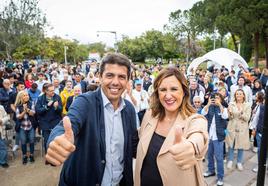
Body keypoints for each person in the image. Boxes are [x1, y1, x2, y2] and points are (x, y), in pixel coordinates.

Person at [45, 53, 138, 186]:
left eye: (122, 77)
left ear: (128, 81)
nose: (116, 82)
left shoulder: (128, 109)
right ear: (100, 77)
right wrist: (58, 142)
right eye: (110, 75)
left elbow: (133, 145)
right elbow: (66, 126)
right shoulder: (85, 102)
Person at [135, 67, 208, 186]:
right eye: (163, 89)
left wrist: (191, 146)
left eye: (174, 89)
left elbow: (199, 136)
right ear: (157, 93)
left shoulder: (195, 120)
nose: (168, 96)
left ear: (184, 92)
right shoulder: (149, 116)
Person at [202, 93, 228, 186]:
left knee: (219, 157)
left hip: (218, 137)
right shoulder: (209, 107)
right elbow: (202, 113)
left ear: (221, 99)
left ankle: (220, 177)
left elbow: (225, 116)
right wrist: (208, 103)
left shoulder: (223, 108)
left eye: (217, 98)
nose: (215, 100)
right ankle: (211, 170)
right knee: (209, 155)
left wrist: (220, 104)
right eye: (214, 98)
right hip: (209, 136)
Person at [226, 89, 251, 171]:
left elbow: (247, 118)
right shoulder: (231, 104)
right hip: (232, 126)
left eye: (240, 94)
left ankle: (239, 162)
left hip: (242, 128)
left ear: (243, 95)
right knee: (231, 144)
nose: (239, 95)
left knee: (241, 145)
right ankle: (230, 160)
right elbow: (229, 118)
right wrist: (229, 113)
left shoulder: (247, 105)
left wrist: (241, 113)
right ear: (235, 96)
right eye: (237, 94)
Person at [35, 83, 63, 153]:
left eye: (53, 90)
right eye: (51, 91)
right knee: (47, 140)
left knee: (56, 140)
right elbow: (38, 111)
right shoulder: (40, 98)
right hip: (45, 123)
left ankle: (56, 155)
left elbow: (61, 110)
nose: (53, 92)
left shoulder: (57, 97)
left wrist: (57, 107)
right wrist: (46, 106)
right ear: (46, 91)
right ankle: (48, 155)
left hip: (56, 122)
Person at [15, 90, 36, 164]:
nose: (26, 96)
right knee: (23, 142)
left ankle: (31, 155)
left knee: (32, 140)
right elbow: (18, 117)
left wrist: (27, 109)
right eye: (24, 95)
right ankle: (24, 156)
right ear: (21, 97)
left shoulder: (31, 103)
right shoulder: (18, 106)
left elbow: (33, 113)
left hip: (30, 126)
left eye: (27, 95)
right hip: (22, 127)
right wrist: (24, 111)